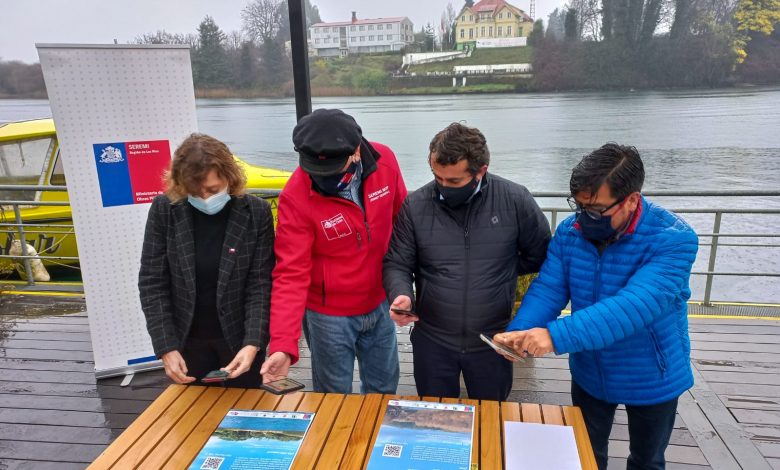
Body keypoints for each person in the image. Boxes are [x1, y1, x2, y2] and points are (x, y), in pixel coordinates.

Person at [494, 143, 698, 470]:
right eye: (579, 206)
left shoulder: (674, 239)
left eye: (596, 209)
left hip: (652, 374)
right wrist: (520, 330)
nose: (585, 217)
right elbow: (549, 287)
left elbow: (635, 305)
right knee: (586, 456)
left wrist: (553, 336)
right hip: (591, 370)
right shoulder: (570, 232)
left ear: (631, 199)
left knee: (647, 461)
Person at [382, 122, 551, 401]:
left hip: (493, 341)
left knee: (491, 416)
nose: (443, 186)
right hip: (433, 341)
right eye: (437, 177)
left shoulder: (515, 200)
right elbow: (398, 263)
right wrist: (400, 294)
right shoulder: (415, 205)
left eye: (454, 181)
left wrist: (501, 270)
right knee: (433, 416)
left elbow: (542, 256)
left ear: (481, 171)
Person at [260, 108, 407, 394]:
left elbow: (405, 225)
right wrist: (282, 346)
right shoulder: (295, 196)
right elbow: (290, 274)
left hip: (380, 302)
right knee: (333, 394)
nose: (322, 178)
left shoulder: (385, 161)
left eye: (331, 170)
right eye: (315, 171)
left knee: (383, 388)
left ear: (355, 151)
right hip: (328, 315)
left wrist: (405, 288)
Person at [139, 133, 274, 388]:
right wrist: (166, 347)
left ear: (230, 177)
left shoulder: (257, 212)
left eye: (212, 190)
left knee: (246, 407)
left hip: (239, 341)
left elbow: (260, 284)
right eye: (194, 191)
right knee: (192, 410)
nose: (204, 197)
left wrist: (253, 343)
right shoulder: (163, 209)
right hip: (187, 343)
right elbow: (152, 282)